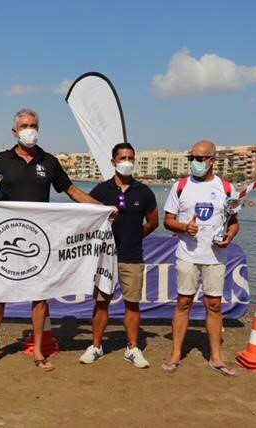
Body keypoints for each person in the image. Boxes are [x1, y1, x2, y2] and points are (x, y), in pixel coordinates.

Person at [0, 108, 106, 372]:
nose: (29, 129)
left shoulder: (50, 161)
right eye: (24, 126)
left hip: (40, 239)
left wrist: (102, 208)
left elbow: (72, 191)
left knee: (40, 296)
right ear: (15, 131)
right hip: (6, 237)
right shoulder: (2, 159)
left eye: (33, 125)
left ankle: (39, 351)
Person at [162, 140, 240, 376]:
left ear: (212, 160)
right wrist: (184, 227)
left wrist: (229, 237)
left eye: (199, 158)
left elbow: (234, 224)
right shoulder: (180, 186)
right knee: (183, 303)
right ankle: (176, 354)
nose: (194, 163)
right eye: (192, 158)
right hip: (187, 254)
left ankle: (216, 357)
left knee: (214, 305)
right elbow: (168, 221)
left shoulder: (227, 188)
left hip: (215, 256)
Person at [80, 142, 159, 368]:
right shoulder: (101, 190)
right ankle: (96, 346)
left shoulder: (144, 191)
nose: (127, 162)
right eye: (123, 158)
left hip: (132, 256)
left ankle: (133, 348)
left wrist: (135, 235)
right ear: (113, 161)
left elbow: (153, 222)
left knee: (132, 304)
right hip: (104, 257)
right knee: (101, 303)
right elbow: (86, 219)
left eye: (131, 158)